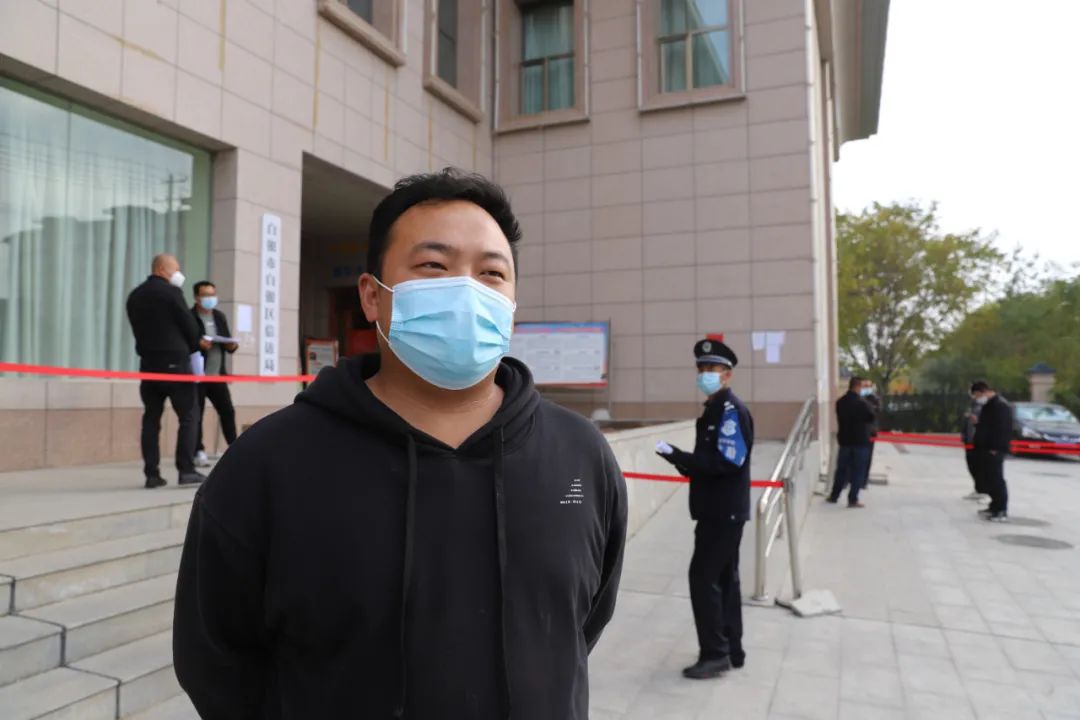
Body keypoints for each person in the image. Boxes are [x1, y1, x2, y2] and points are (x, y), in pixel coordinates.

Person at [173, 169, 628, 719]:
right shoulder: (270, 462)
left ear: (512, 301)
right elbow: (217, 661)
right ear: (372, 296)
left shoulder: (579, 455)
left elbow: (578, 627)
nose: (467, 291)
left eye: (492, 273)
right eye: (433, 265)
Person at [656, 338, 753, 680]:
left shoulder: (729, 410)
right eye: (701, 368)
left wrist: (679, 456)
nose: (704, 374)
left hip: (723, 512)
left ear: (727, 375)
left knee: (703, 578)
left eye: (711, 368)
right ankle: (731, 649)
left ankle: (715, 654)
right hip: (717, 510)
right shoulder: (714, 408)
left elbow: (728, 461)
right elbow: (710, 462)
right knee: (724, 579)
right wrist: (679, 460)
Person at [126, 254, 208, 489]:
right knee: (189, 416)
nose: (179, 274)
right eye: (176, 269)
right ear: (162, 269)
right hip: (175, 363)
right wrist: (196, 343)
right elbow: (189, 326)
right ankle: (186, 470)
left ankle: (152, 474)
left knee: (151, 419)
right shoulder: (171, 293)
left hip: (148, 364)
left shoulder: (135, 295)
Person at [190, 281, 239, 467]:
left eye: (212, 294)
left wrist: (231, 345)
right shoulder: (190, 317)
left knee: (227, 411)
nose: (210, 299)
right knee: (197, 414)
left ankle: (235, 447)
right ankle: (198, 451)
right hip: (198, 375)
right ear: (197, 297)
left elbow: (227, 341)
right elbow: (187, 342)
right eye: (205, 295)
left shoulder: (219, 316)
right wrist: (198, 344)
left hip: (217, 374)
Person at [827, 376, 876, 507]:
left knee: (841, 470)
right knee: (858, 471)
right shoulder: (863, 404)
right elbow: (871, 417)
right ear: (858, 386)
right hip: (860, 441)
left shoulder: (840, 402)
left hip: (845, 440)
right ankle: (853, 499)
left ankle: (834, 495)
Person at [971, 380, 1011, 521]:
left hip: (995, 449)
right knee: (989, 478)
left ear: (982, 392)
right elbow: (987, 426)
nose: (976, 399)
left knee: (996, 479)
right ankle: (993, 506)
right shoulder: (989, 405)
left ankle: (1001, 510)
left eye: (976, 395)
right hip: (985, 448)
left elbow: (1003, 429)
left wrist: (996, 448)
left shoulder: (1000, 405)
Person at [960, 392, 986, 501]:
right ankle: (978, 489)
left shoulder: (984, 407)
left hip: (977, 442)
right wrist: (964, 435)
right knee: (972, 466)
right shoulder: (972, 406)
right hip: (969, 441)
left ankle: (982, 490)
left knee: (978, 467)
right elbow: (967, 423)